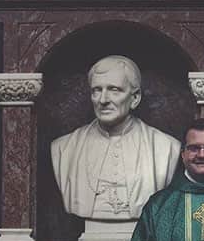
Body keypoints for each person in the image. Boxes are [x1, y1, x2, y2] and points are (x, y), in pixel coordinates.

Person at [50, 55, 181, 221]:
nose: (103, 100)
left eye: (114, 90)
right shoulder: (64, 148)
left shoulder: (165, 147)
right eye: (97, 90)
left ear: (135, 98)